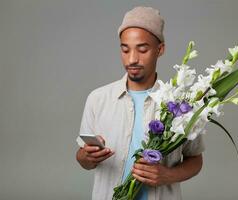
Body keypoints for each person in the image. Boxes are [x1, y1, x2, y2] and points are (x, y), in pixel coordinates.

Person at [75, 6, 205, 200]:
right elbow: (82, 158)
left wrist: (168, 175)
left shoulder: (180, 105)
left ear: (160, 50)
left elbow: (195, 159)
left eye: (142, 49)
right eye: (125, 50)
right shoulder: (98, 99)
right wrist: (86, 158)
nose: (132, 59)